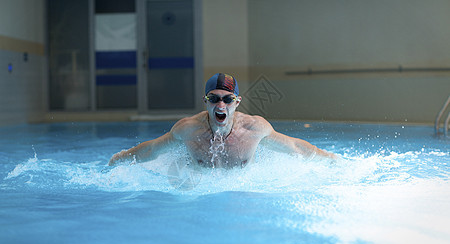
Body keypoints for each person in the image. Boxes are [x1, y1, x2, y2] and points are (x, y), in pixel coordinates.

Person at [109, 73, 337, 168]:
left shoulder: (254, 128)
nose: (220, 105)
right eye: (214, 99)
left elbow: (295, 147)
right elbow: (152, 150)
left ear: (237, 102)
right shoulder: (188, 129)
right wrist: (120, 158)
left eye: (227, 99)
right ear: (205, 101)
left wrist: (330, 159)